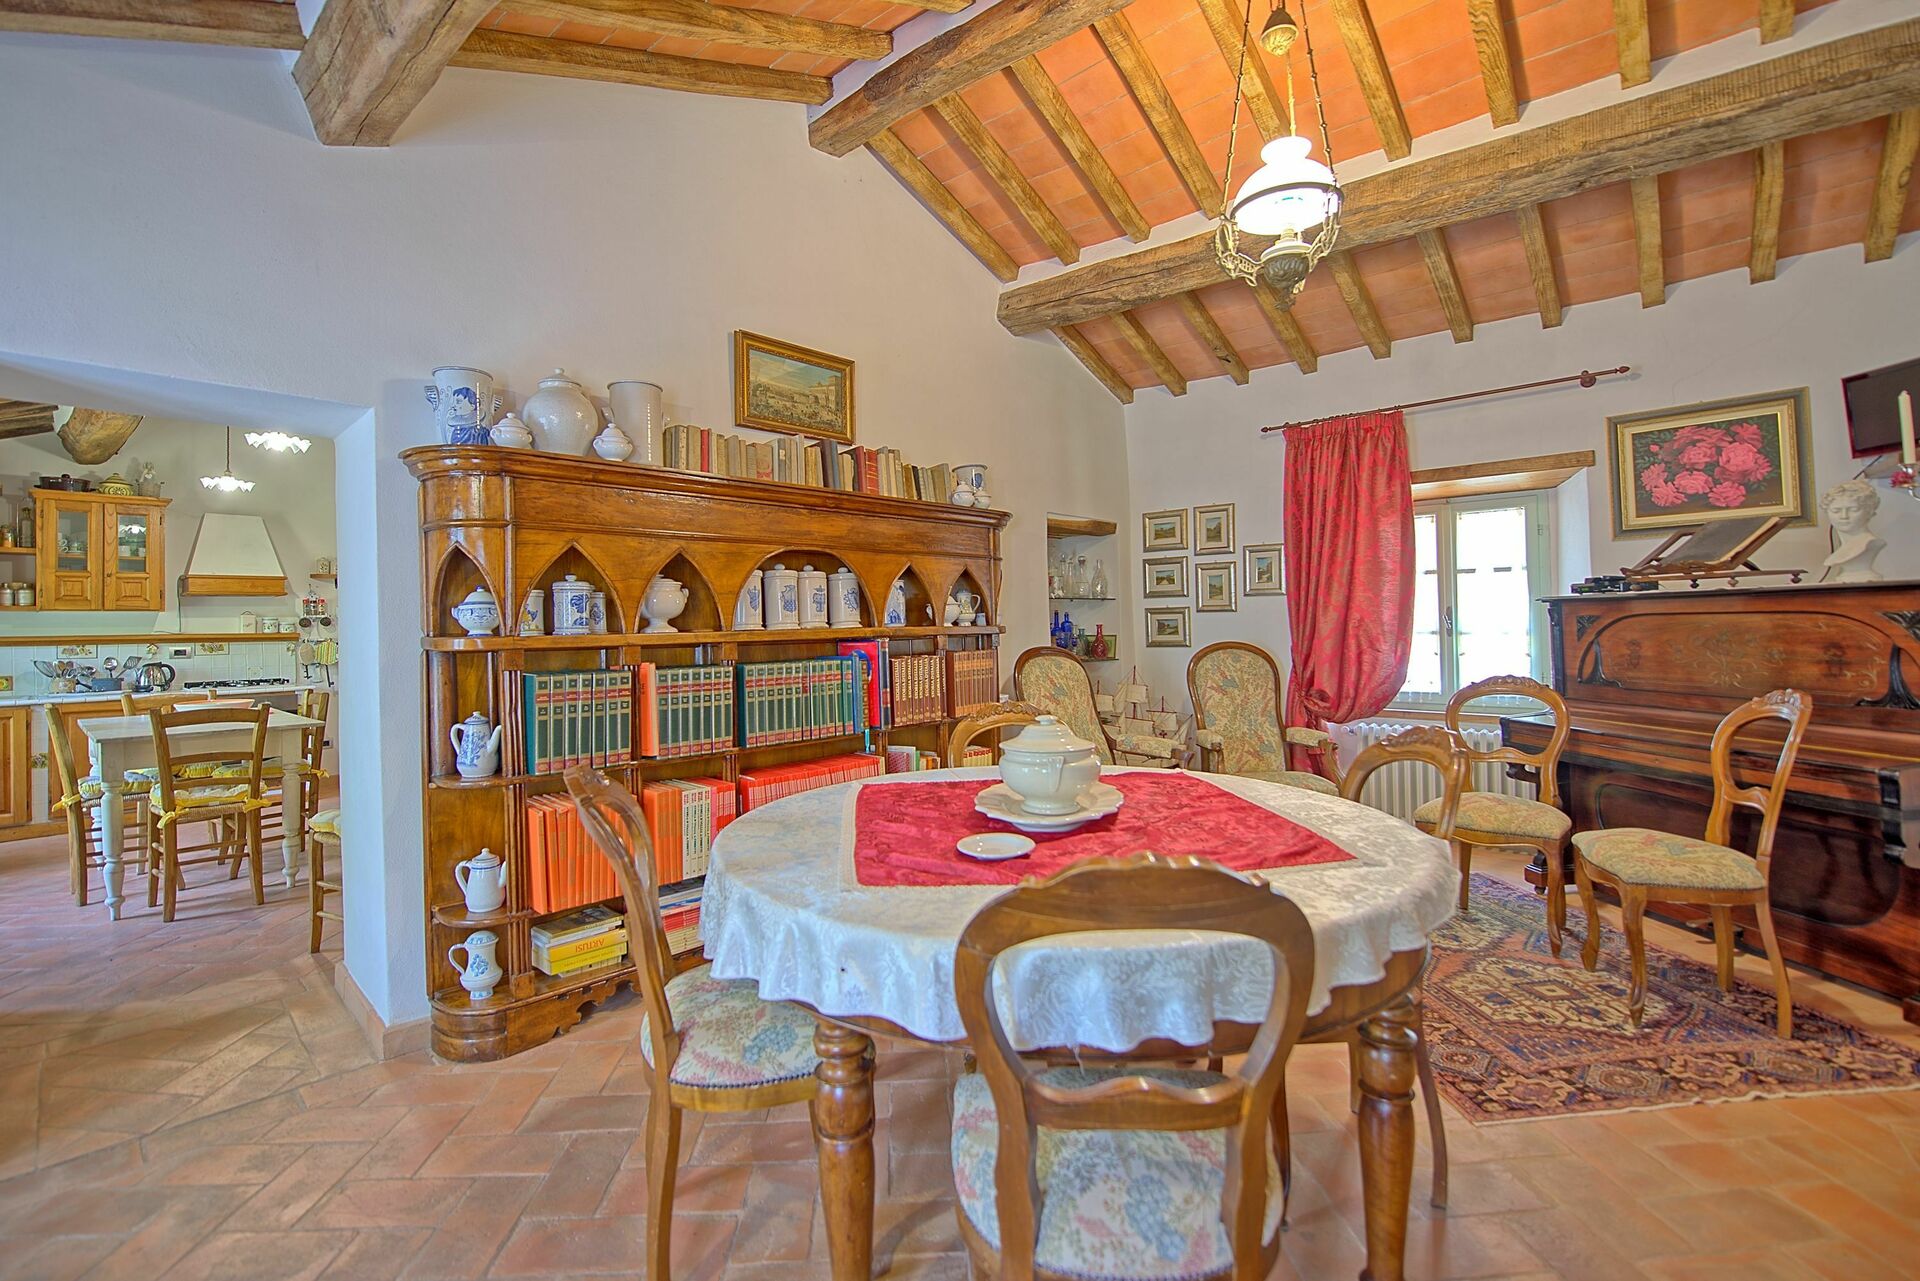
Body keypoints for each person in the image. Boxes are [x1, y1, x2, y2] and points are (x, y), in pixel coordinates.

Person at [1819, 478, 1884, 582]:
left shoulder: (1871, 543)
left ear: (1869, 511)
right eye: (1836, 510)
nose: (1844, 516)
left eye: (1854, 510)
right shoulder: (1842, 550)